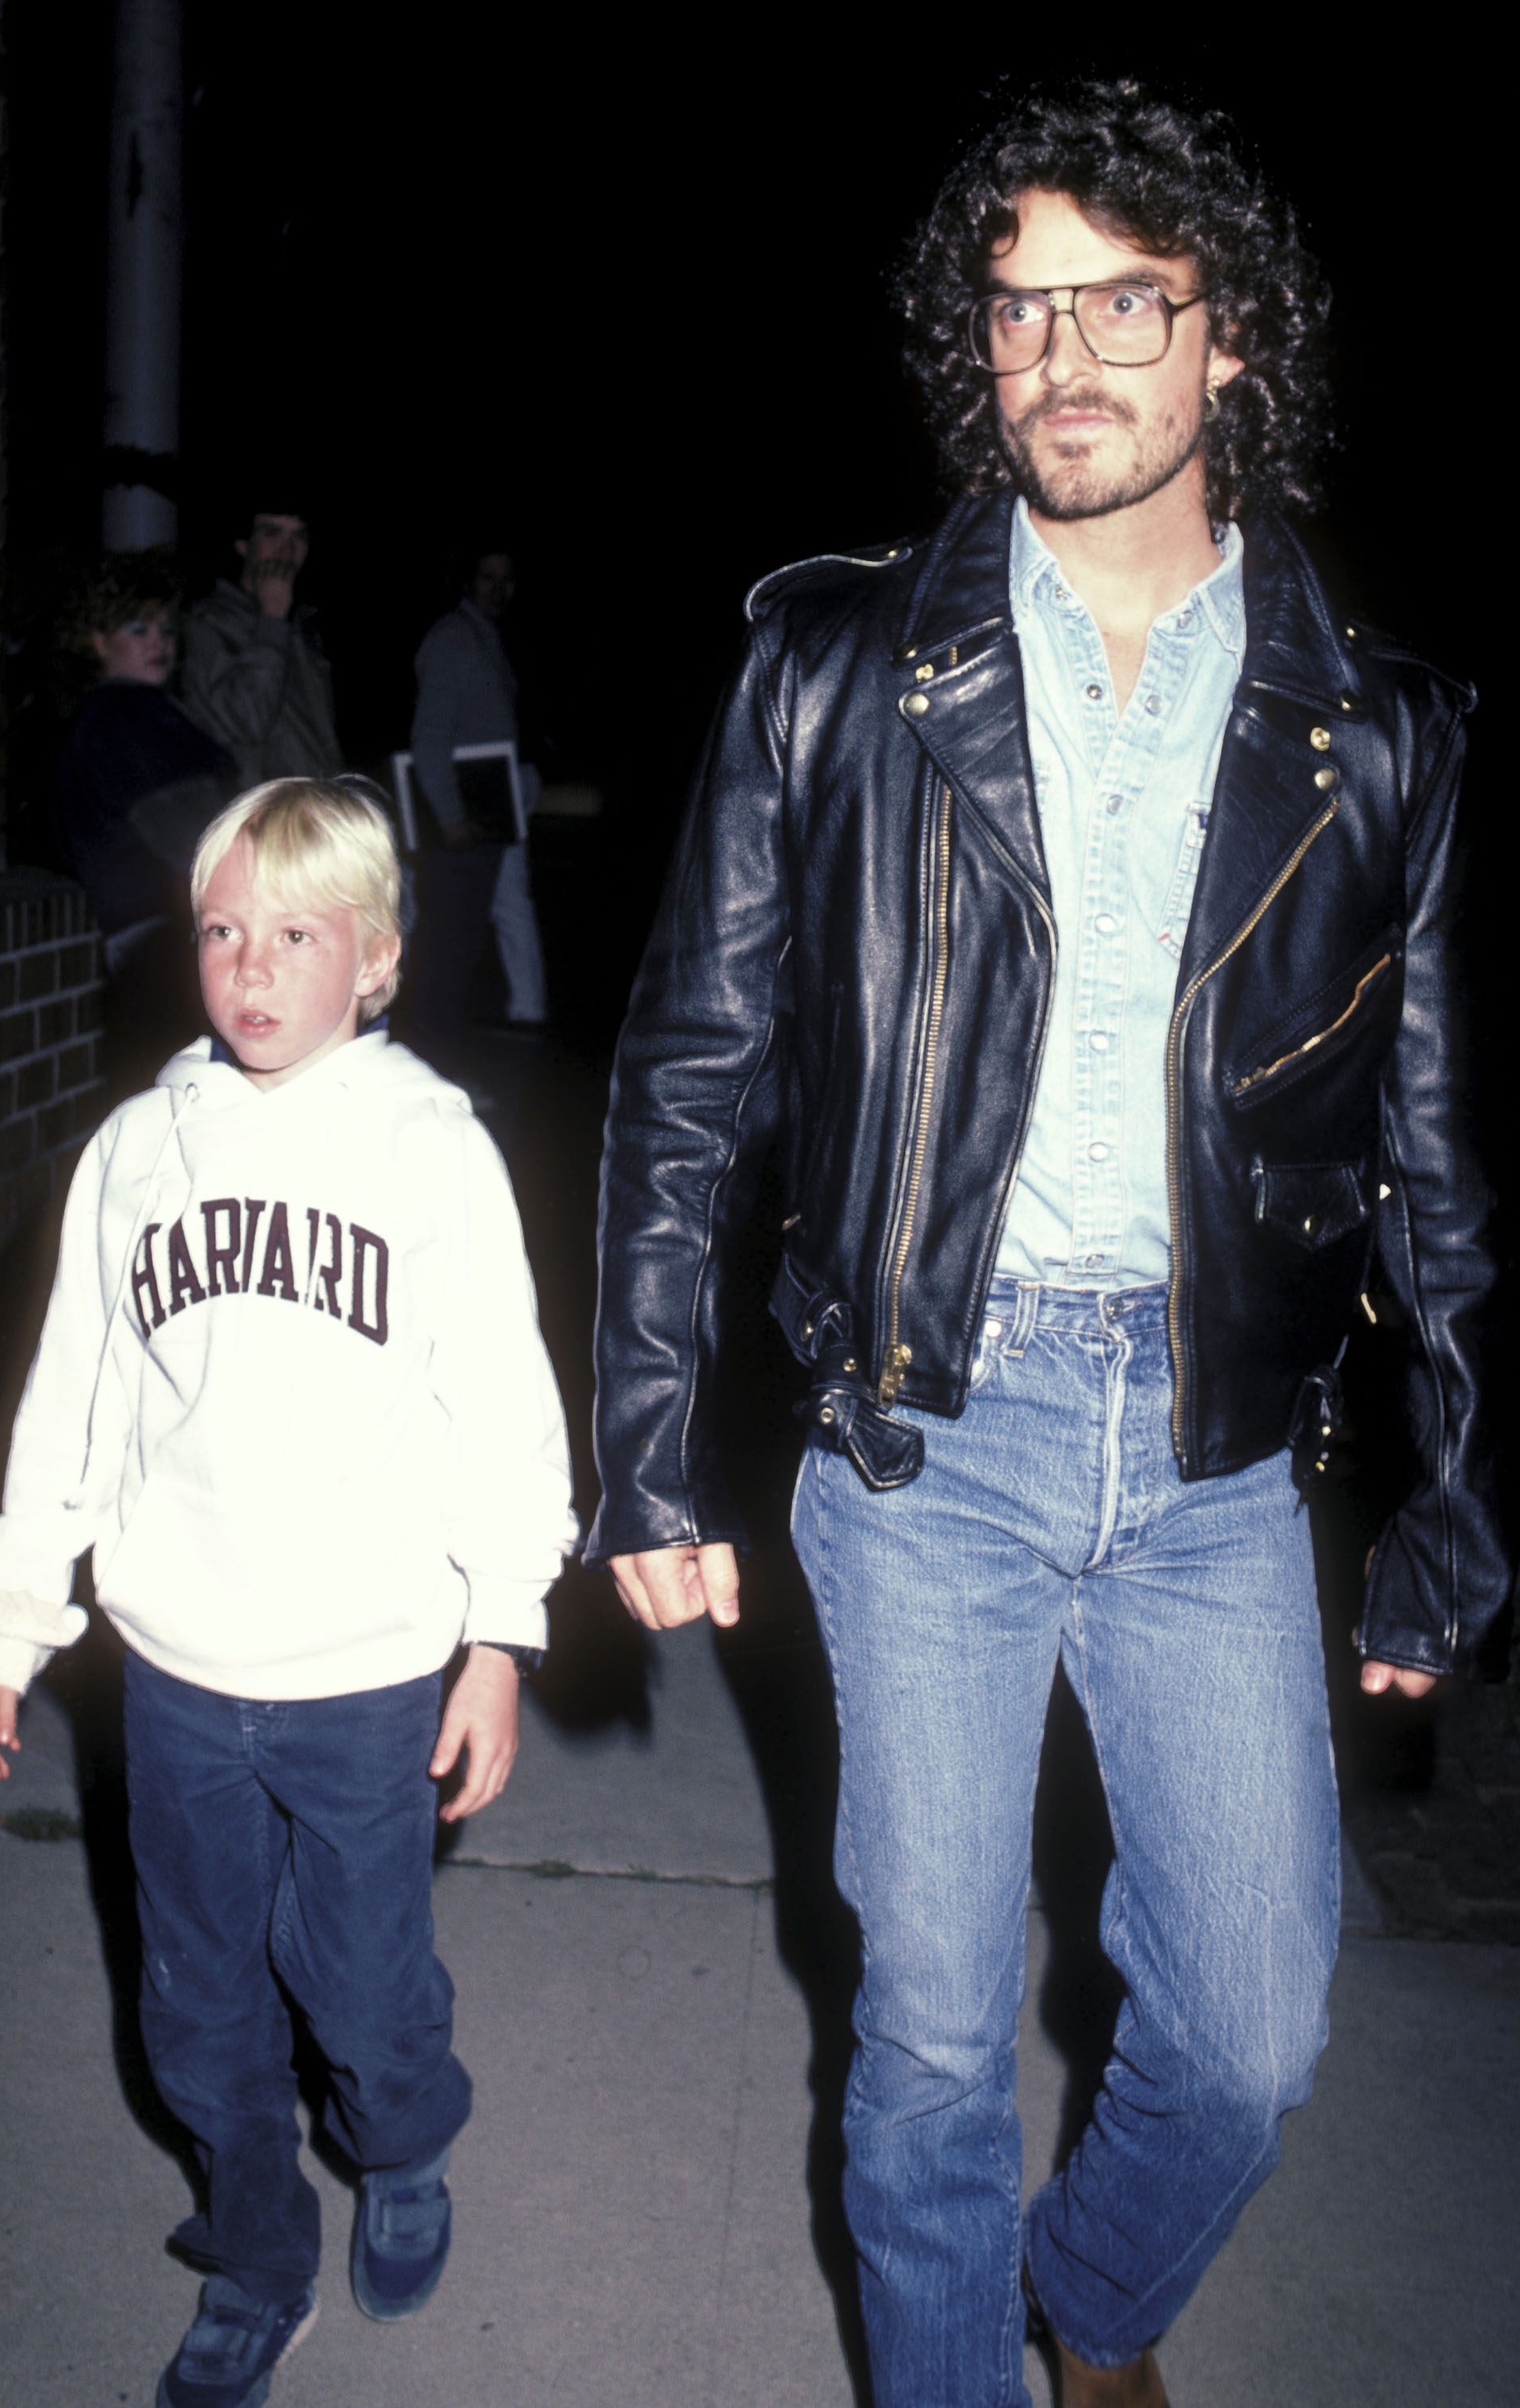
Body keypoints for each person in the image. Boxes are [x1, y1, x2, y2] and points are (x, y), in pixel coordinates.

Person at [588, 79, 1509, 2408]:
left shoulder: (1374, 730)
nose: (1062, 359)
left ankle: (1092, 2301)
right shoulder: (830, 667)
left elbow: (1435, 1163)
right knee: (918, 2039)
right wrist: (647, 1443)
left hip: (1210, 1465)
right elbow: (691, 1067)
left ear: (1230, 348)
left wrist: (1459, 1498)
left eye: (1124, 302)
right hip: (926, 1444)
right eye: (1017, 315)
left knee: (1256, 2028)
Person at [0, 780, 575, 2408]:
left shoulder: (427, 1149)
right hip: (176, 1668)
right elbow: (70, 1396)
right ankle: (253, 2247)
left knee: (365, 1987)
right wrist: (18, 1620)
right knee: (194, 1993)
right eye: (222, 929)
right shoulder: (137, 1151)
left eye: (292, 933)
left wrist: (501, 1633)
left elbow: (502, 1404)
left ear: (372, 958)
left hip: (369, 1666)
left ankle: (406, 2142)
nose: (248, 965)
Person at [53, 554, 237, 1073]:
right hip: (163, 946)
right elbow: (194, 841)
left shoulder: (126, 714)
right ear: (98, 642)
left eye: (166, 631)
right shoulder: (124, 719)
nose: (159, 643)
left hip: (154, 944)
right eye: (139, 629)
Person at [408, 549, 548, 1067]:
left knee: (493, 912)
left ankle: (522, 1010)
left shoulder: (487, 637)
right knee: (451, 932)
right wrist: (448, 813)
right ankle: (429, 1052)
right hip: (468, 806)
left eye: (507, 580)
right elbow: (430, 738)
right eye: (487, 578)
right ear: (466, 582)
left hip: (495, 798)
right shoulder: (453, 639)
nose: (498, 589)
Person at [183, 506, 344, 787]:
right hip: (259, 811)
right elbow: (247, 722)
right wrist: (272, 618)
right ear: (243, 545)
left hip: (314, 804)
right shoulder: (208, 623)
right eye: (272, 533)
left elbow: (321, 735)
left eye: (300, 536)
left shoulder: (302, 625)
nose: (288, 549)